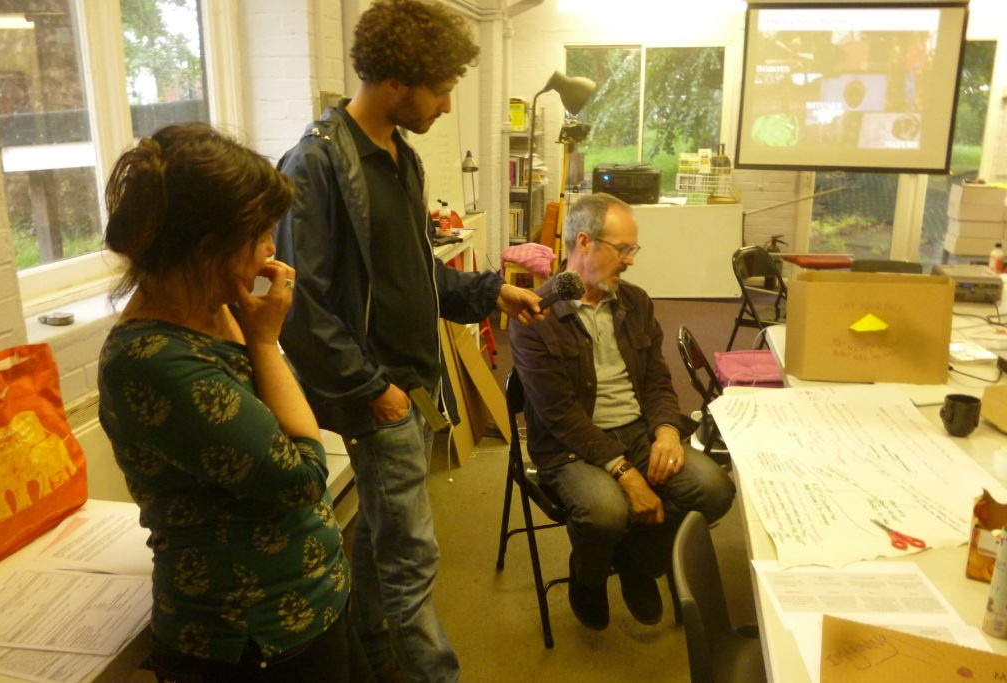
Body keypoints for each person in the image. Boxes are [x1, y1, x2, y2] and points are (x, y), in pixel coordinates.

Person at [274, 1, 541, 680]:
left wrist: (488, 292)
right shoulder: (316, 164)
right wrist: (373, 388)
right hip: (378, 389)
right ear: (397, 82)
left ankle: (370, 654)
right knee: (411, 554)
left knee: (377, 536)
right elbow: (301, 307)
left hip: (410, 383)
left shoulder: (403, 158)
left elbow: (416, 273)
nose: (448, 106)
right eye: (443, 88)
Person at [98, 123, 369, 682]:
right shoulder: (152, 359)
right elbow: (300, 475)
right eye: (262, 235)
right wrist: (267, 341)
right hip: (250, 640)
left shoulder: (219, 307)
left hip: (306, 608)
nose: (273, 250)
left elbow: (277, 413)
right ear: (207, 252)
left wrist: (260, 334)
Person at [509, 192, 735, 630]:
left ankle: (639, 562)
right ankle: (588, 577)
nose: (630, 261)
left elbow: (656, 381)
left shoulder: (636, 301)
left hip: (638, 430)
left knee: (714, 489)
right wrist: (623, 470)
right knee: (606, 512)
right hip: (570, 446)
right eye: (623, 249)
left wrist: (667, 430)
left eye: (633, 249)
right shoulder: (535, 315)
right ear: (584, 243)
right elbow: (559, 416)